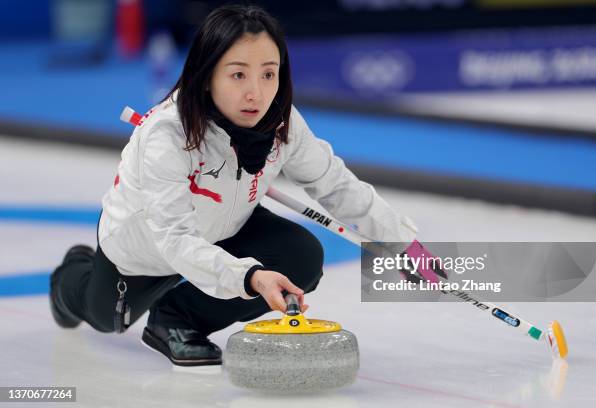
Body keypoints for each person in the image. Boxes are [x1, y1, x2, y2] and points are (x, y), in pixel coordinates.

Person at [50, 4, 418, 368]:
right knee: (106, 320)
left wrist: (404, 244)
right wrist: (250, 276)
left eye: (268, 74)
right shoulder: (167, 135)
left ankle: (176, 320)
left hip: (226, 226)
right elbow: (174, 238)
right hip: (148, 247)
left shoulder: (282, 123)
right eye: (238, 75)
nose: (256, 94)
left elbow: (334, 184)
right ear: (207, 74)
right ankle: (72, 273)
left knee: (301, 258)